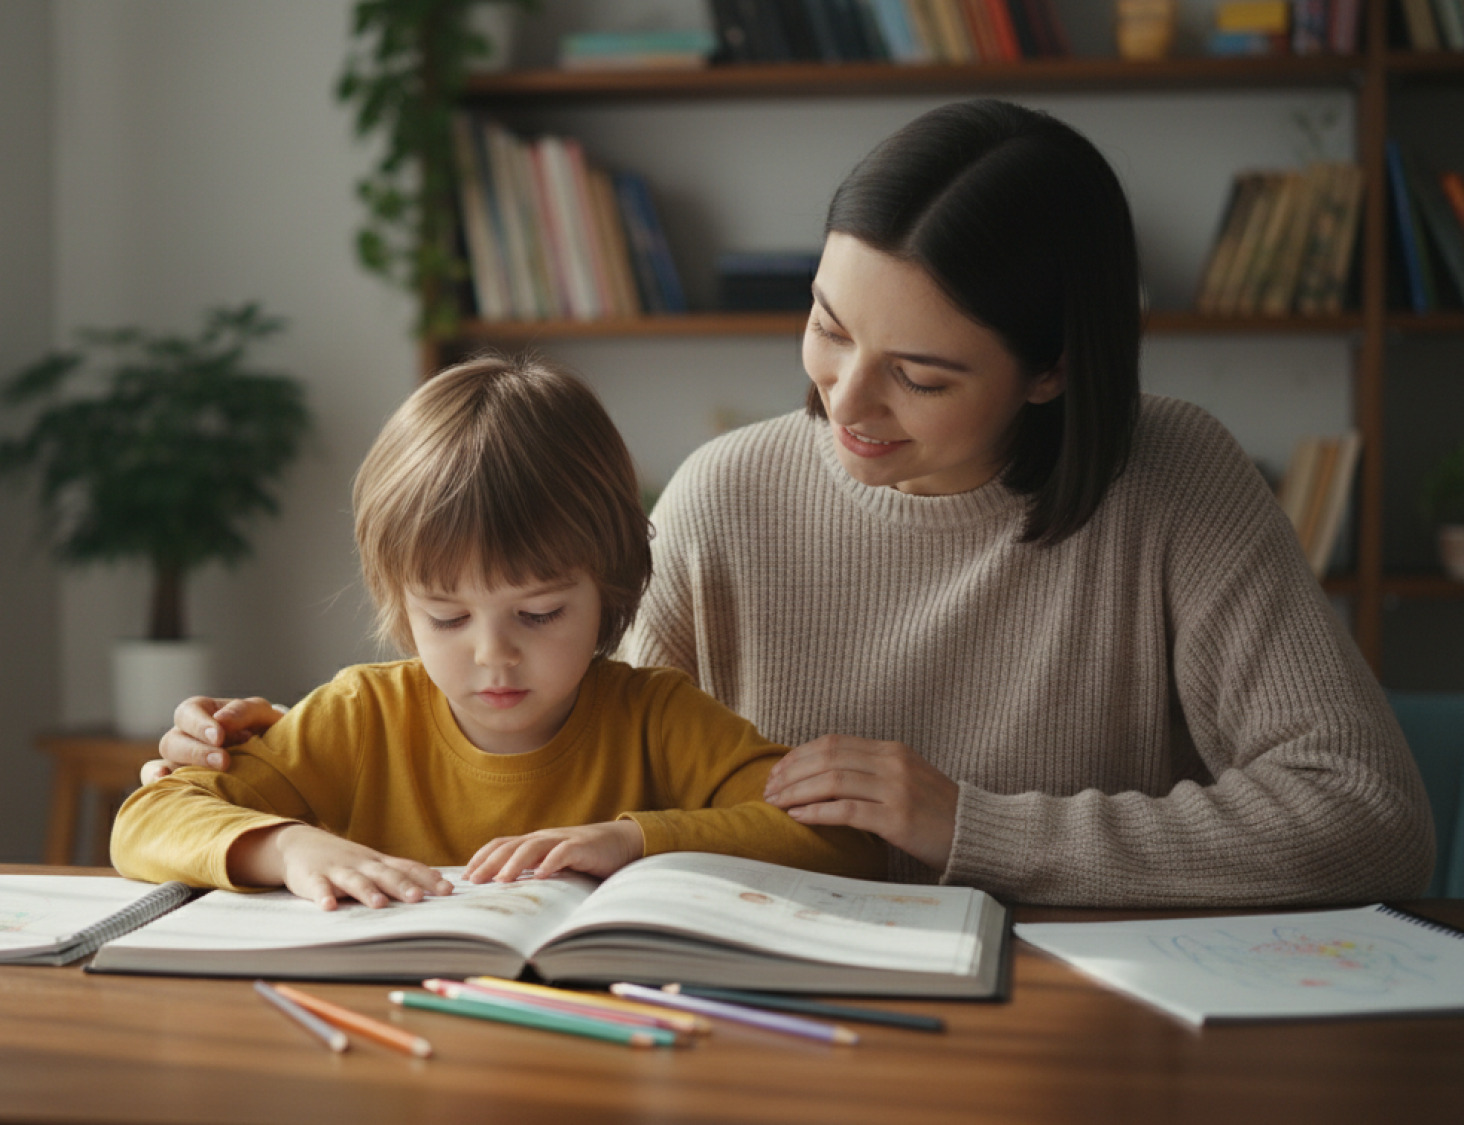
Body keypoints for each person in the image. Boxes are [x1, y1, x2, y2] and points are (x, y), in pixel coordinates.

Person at [146, 99, 1435, 908]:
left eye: (920, 375)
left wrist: (968, 826)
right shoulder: (726, 495)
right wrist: (237, 793)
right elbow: (576, 796)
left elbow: (1367, 821)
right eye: (825, 329)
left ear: (1051, 371)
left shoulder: (1173, 479)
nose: (844, 404)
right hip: (776, 1028)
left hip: (1091, 1031)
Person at [112, 356, 885, 909]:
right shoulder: (359, 716)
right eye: (447, 617)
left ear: (610, 585)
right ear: (402, 602)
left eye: (540, 612)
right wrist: (287, 847)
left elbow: (840, 841)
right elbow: (147, 820)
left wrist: (637, 840)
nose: (493, 654)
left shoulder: (659, 718)